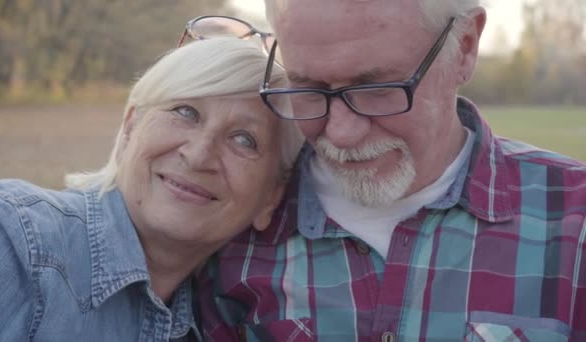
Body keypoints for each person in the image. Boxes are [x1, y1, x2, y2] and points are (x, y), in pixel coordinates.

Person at [198, 1, 586, 341]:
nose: (342, 134)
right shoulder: (229, 223)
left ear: (464, 47)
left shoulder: (574, 222)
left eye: (376, 88)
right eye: (309, 88)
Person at [0, 38, 303, 341]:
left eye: (244, 139)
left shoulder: (219, 320)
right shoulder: (7, 240)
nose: (199, 154)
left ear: (271, 198)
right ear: (130, 127)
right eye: (185, 112)